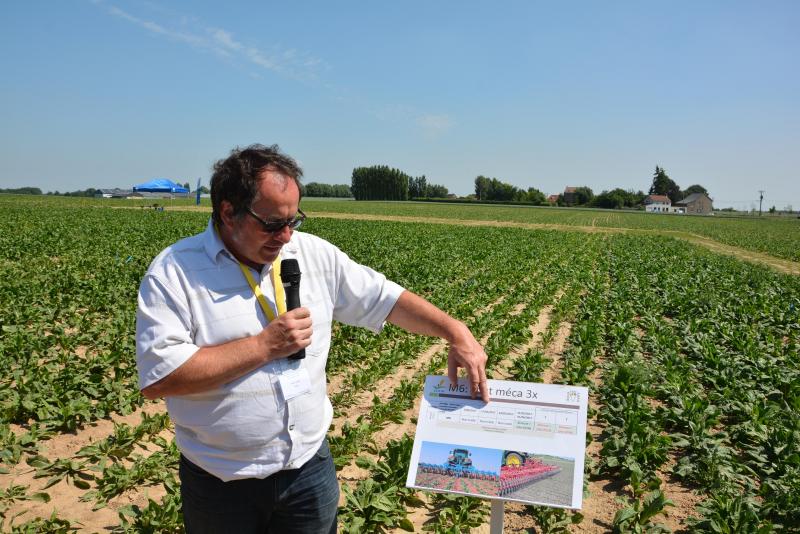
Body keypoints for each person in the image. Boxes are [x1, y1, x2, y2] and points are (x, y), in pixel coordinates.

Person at [135, 144, 489, 533]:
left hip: (308, 470)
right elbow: (160, 378)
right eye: (271, 223)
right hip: (221, 481)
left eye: (293, 220)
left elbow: (384, 299)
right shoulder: (174, 272)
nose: (285, 236)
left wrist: (455, 331)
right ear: (227, 212)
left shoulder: (313, 254)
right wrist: (263, 346)